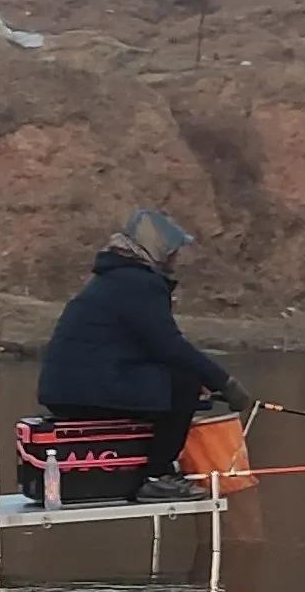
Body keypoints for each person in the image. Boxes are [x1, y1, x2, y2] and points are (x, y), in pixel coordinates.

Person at [37, 208, 239, 499]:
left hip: (68, 389)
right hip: (85, 390)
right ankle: (156, 476)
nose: (175, 258)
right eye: (172, 251)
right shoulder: (139, 282)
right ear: (157, 249)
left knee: (180, 388)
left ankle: (153, 470)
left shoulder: (116, 279)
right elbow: (170, 346)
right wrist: (225, 383)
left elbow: (144, 345)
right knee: (183, 382)